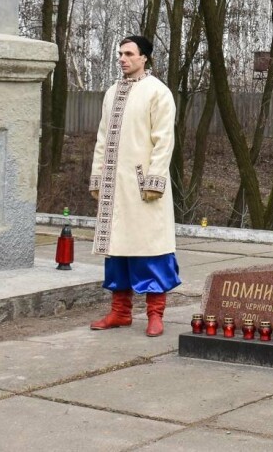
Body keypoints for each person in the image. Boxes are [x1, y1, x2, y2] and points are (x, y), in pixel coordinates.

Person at [89, 35, 181, 337]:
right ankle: (120, 312)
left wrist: (154, 179)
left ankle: (155, 314)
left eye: (129, 54)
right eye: (120, 53)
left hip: (143, 188)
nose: (122, 58)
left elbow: (164, 140)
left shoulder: (158, 92)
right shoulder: (112, 92)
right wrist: (98, 177)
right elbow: (102, 138)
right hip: (115, 188)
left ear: (144, 57)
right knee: (117, 250)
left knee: (151, 249)